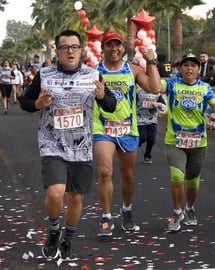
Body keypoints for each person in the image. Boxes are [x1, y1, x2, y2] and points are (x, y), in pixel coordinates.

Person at [19, 30, 116, 261]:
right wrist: (37, 103)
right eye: (65, 47)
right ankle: (54, 230)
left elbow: (111, 105)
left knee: (75, 198)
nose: (70, 51)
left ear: (81, 50)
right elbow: (24, 101)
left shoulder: (93, 75)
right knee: (55, 192)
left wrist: (103, 96)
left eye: (75, 46)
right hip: (52, 143)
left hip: (81, 146)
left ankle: (68, 238)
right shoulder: (44, 74)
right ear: (57, 51)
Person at [93, 30, 163, 237]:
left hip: (127, 128)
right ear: (103, 48)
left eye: (117, 45)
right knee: (105, 172)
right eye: (109, 45)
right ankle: (106, 217)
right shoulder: (93, 71)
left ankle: (126, 208)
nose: (114, 49)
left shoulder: (131, 69)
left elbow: (155, 87)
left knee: (128, 175)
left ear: (123, 48)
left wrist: (151, 62)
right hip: (102, 127)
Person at [161, 54, 215, 232]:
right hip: (175, 140)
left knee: (193, 182)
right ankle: (177, 211)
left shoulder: (204, 88)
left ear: (198, 69)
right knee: (177, 177)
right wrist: (151, 62)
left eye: (193, 66)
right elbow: (156, 86)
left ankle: (189, 207)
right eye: (185, 65)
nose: (189, 68)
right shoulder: (172, 84)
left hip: (198, 142)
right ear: (180, 69)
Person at [136, 88, 167, 164]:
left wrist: (158, 104)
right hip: (140, 119)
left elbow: (164, 107)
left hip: (152, 120)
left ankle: (147, 155)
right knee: (143, 137)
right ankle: (137, 143)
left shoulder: (157, 93)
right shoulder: (138, 92)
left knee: (151, 139)